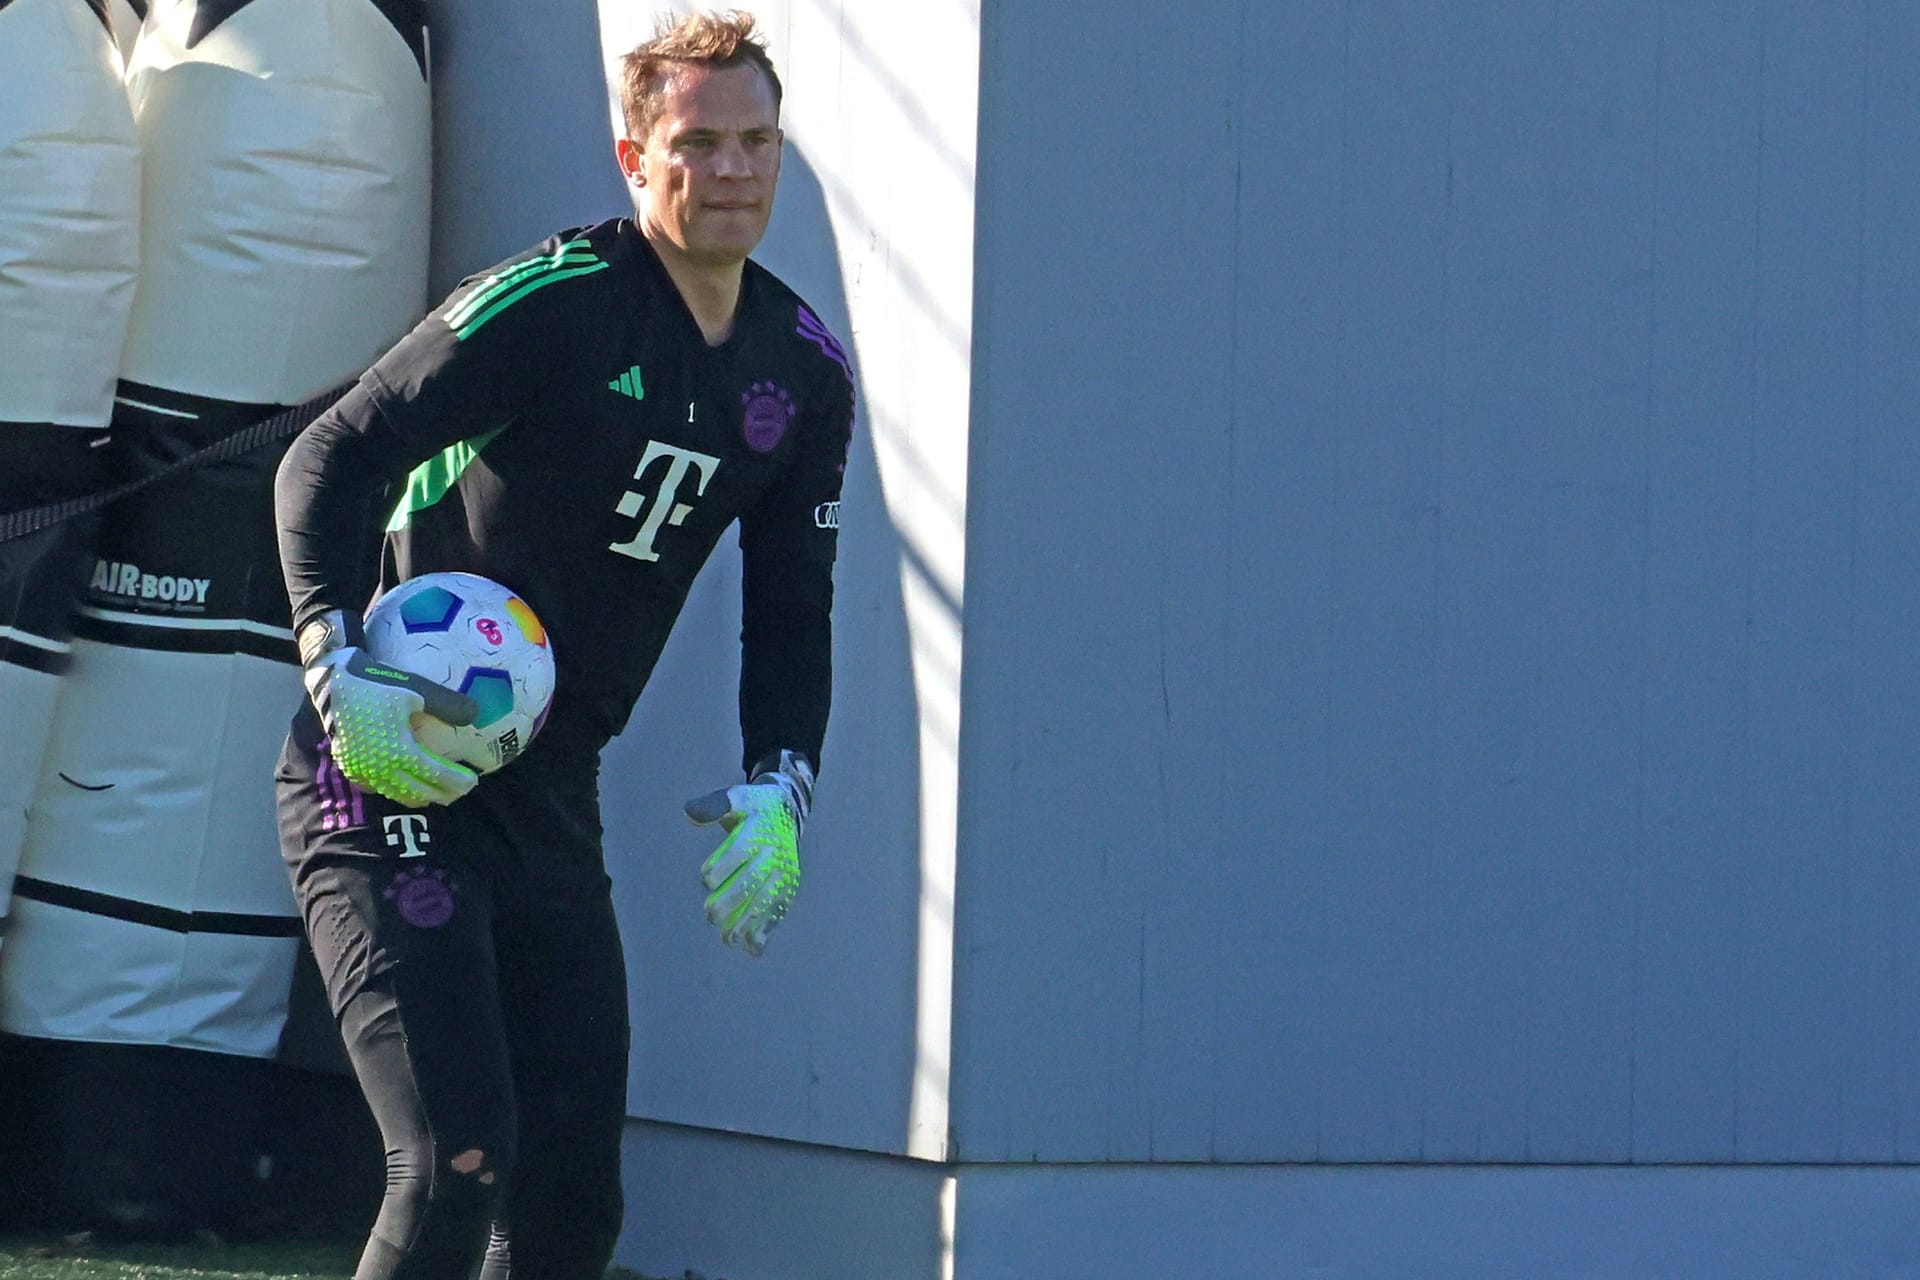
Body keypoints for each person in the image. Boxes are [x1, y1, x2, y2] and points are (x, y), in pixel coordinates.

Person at [271, 12, 853, 1278]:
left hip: (549, 791)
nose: (736, 169)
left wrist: (783, 779)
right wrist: (337, 665)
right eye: (699, 142)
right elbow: (330, 455)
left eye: (759, 140)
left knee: (576, 1190)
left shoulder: (802, 370)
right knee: (454, 1156)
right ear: (633, 156)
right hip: (385, 768)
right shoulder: (557, 300)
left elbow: (793, 600)